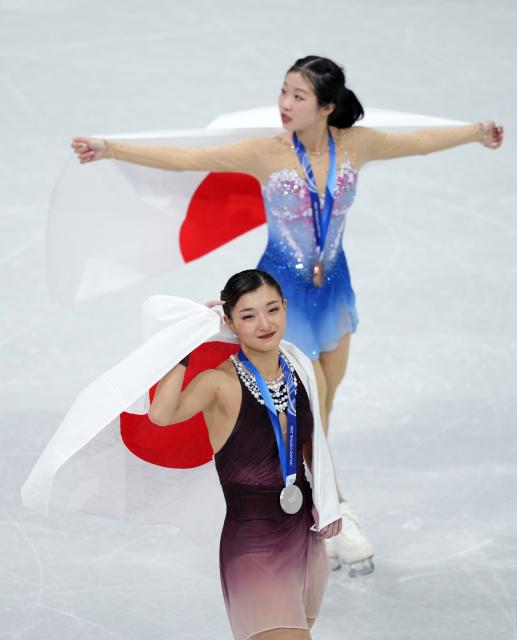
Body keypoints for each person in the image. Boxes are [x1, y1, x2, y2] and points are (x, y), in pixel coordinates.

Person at [71, 55, 503, 571]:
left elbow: (418, 142)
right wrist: (110, 148)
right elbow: (186, 159)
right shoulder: (265, 153)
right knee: (309, 407)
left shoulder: (357, 146)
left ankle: (321, 493)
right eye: (282, 91)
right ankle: (335, 510)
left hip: (335, 295)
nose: (284, 104)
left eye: (298, 96)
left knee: (324, 407)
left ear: (327, 106)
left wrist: (477, 132)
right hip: (280, 301)